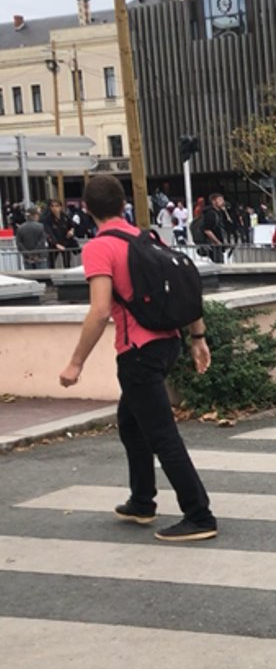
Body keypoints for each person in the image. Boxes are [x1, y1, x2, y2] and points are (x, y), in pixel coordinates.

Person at [57, 175, 218, 542]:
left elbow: (99, 311)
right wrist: (198, 337)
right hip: (167, 343)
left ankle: (199, 514)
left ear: (86, 208)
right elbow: (183, 290)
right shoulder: (146, 237)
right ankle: (142, 500)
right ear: (122, 205)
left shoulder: (100, 247)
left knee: (162, 435)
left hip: (137, 352)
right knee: (131, 424)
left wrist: (76, 363)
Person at [43, 200, 78, 268]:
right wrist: (56, 244)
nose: (54, 208)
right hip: (53, 245)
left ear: (60, 207)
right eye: (52, 206)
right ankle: (50, 277)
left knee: (67, 263)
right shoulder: (47, 219)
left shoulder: (65, 216)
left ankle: (67, 277)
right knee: (51, 263)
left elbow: (73, 225)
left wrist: (72, 231)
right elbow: (48, 233)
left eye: (56, 206)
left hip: (65, 242)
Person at [201, 193, 231, 263]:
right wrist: (217, 241)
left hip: (218, 244)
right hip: (213, 245)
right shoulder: (210, 214)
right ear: (213, 201)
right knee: (218, 263)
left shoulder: (219, 213)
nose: (222, 202)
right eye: (220, 200)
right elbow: (207, 229)